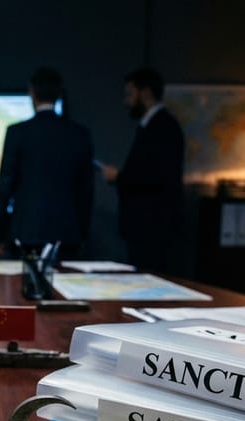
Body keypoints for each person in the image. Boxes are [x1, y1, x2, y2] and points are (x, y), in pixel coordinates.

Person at [0, 67, 94, 260]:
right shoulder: (79, 134)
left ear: (31, 92)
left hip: (25, 232)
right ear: (59, 93)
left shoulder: (17, 133)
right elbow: (85, 191)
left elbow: (5, 187)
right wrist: (82, 235)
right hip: (67, 234)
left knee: (23, 288)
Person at [99, 67, 186, 276]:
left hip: (152, 229)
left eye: (129, 94)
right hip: (145, 228)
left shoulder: (163, 127)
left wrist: (119, 177)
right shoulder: (152, 126)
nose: (125, 101)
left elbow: (157, 178)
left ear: (145, 93)